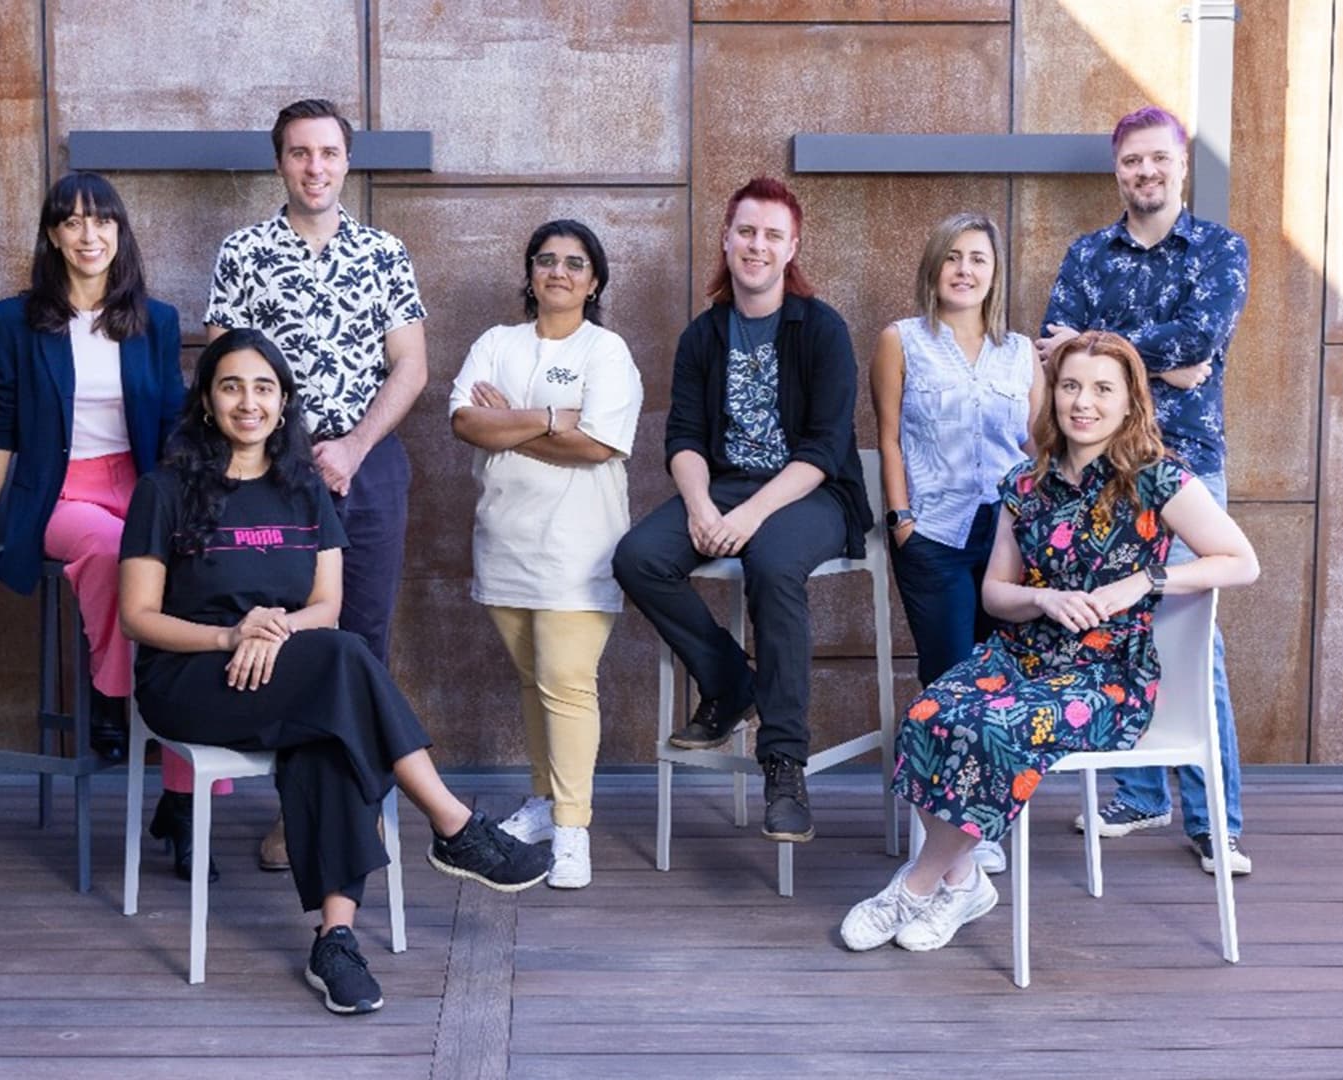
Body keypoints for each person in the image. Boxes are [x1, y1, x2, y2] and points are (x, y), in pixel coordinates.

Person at [118, 328, 549, 1015]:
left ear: (285, 402)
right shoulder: (164, 489)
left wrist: (275, 628)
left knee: (333, 727)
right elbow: (138, 615)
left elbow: (326, 605)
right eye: (231, 386)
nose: (248, 402)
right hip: (191, 679)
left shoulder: (304, 490)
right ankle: (453, 823)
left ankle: (335, 939)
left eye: (264, 387)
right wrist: (230, 634)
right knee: (347, 662)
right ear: (206, 401)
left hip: (287, 667)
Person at [839, 331, 1258, 954]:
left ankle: (915, 886)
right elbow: (995, 595)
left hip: (1106, 674)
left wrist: (1146, 580)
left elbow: (1241, 561)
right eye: (1070, 386)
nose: (1082, 402)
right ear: (1052, 395)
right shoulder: (1025, 486)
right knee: (930, 715)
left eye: (1101, 389)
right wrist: (1043, 599)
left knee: (996, 732)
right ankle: (964, 880)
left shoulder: (1157, 479)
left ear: (1128, 402)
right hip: (1020, 657)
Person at [0, 172, 217, 882]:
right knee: (106, 546)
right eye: (72, 222)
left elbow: (174, 428)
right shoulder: (16, 320)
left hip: (141, 486)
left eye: (103, 222)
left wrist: (193, 512)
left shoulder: (152, 321)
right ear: (54, 235)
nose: (89, 235)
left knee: (199, 590)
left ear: (119, 234)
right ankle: (115, 698)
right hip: (57, 497)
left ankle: (186, 810)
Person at [611, 176, 873, 845]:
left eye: (772, 236)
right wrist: (700, 506)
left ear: (793, 249)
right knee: (638, 557)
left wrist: (749, 516)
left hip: (811, 493)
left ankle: (784, 762)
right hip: (724, 487)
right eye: (746, 232)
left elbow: (824, 446)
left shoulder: (821, 329)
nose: (757, 246)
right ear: (727, 239)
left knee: (772, 562)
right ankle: (732, 683)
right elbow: (685, 439)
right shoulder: (704, 336)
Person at [205, 98, 429, 874]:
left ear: (347, 161)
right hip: (269, 475)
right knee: (287, 640)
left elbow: (412, 364)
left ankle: (353, 811)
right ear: (280, 163)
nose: (315, 167)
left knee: (361, 642)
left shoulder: (382, 251)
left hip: (368, 469)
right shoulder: (243, 251)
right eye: (300, 153)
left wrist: (356, 447)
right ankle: (298, 814)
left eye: (328, 153)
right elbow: (225, 372)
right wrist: (289, 457)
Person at [1038, 105, 1255, 874]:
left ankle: (1214, 823)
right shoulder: (1088, 253)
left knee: (1198, 638)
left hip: (1185, 461)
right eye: (1132, 161)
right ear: (1117, 169)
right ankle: (1136, 794)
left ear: (1182, 164)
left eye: (1158, 159)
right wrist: (1152, 365)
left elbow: (1200, 339)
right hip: (1098, 466)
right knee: (1112, 624)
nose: (1145, 172)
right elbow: (1053, 349)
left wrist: (1101, 352)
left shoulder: (1222, 250)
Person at [448, 220, 643, 889]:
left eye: (575, 263)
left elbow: (599, 443)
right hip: (504, 542)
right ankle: (544, 800)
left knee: (566, 681)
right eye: (546, 260)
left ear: (595, 281)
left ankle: (572, 829)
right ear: (530, 273)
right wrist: (552, 416)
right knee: (534, 681)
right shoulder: (496, 343)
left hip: (577, 546)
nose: (558, 272)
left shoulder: (607, 352)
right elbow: (465, 421)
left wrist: (515, 423)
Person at [871, 211, 1042, 876]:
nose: (965, 270)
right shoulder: (902, 340)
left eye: (978, 259)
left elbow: (1035, 445)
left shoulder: (1020, 351)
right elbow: (887, 435)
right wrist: (901, 518)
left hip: (1005, 538)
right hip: (933, 534)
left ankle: (976, 826)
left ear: (995, 274)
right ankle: (947, 833)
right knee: (947, 682)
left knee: (999, 684)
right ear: (934, 268)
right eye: (953, 258)